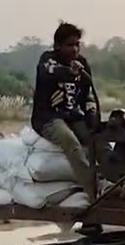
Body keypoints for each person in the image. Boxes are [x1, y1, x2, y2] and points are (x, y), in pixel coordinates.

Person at [31, 22, 101, 198]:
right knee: (71, 142)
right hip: (48, 118)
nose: (75, 49)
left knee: (98, 140)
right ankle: (95, 191)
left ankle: (120, 181)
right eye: (70, 45)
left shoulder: (83, 63)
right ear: (57, 46)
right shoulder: (47, 59)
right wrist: (69, 71)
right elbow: (48, 72)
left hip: (74, 116)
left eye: (78, 44)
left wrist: (92, 115)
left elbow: (88, 95)